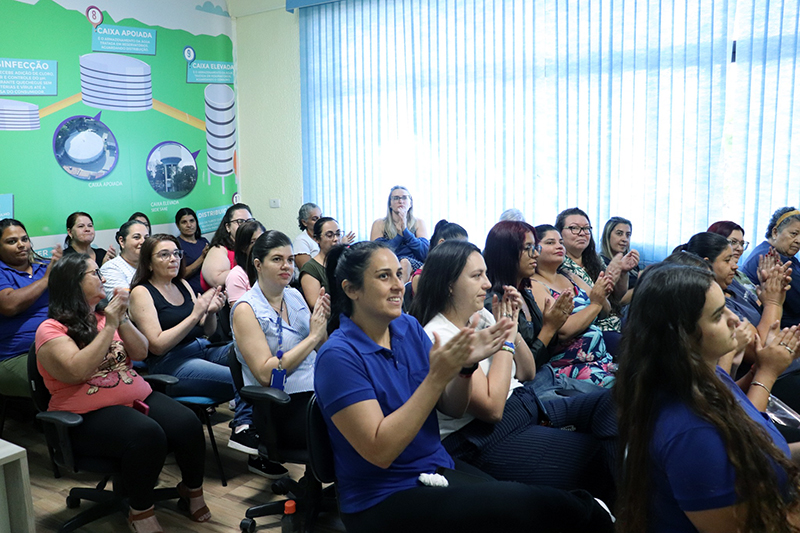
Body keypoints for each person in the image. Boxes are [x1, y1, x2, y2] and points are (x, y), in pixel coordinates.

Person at [314, 241, 614, 533]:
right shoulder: (338, 357)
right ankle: (603, 517)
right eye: (383, 276)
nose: (397, 284)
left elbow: (451, 406)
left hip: (435, 466)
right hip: (381, 497)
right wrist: (436, 378)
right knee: (521, 503)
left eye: (397, 274)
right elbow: (381, 451)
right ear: (351, 289)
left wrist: (465, 367)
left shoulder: (406, 328)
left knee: (525, 503)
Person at [411, 240, 618, 501]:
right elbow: (492, 409)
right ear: (449, 284)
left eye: (485, 274)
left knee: (614, 403)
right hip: (480, 437)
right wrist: (505, 342)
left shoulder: (482, 316)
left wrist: (511, 327)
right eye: (477, 276)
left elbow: (527, 372)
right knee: (596, 455)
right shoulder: (439, 336)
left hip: (523, 406)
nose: (487, 284)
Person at [615, 262, 800, 533]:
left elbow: (759, 440)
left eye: (726, 306)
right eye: (717, 316)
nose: (735, 319)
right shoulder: (692, 432)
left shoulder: (706, 373)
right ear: (682, 336)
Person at [35, 253, 211, 532]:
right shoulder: (51, 329)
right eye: (95, 274)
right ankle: (140, 510)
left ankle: (192, 490)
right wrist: (111, 324)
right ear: (73, 283)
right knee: (146, 433)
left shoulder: (106, 317)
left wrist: (121, 318)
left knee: (188, 422)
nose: (103, 278)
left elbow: (141, 352)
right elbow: (78, 371)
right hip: (86, 415)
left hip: (135, 396)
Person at [231, 231, 330, 477]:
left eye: (289, 259)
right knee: (352, 425)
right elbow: (266, 374)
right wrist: (313, 337)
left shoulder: (294, 295)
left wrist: (322, 323)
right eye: (277, 259)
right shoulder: (245, 309)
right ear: (258, 265)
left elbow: (320, 346)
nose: (286, 266)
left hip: (318, 389)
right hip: (284, 406)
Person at [128, 235, 241, 423]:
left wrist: (211, 312)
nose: (173, 259)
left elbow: (209, 331)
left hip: (202, 348)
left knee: (248, 354)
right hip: (172, 362)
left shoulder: (181, 284)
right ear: (149, 263)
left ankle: (252, 423)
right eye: (164, 255)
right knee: (238, 376)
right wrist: (195, 316)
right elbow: (157, 345)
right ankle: (245, 426)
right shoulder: (142, 292)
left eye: (176, 253)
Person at [530, 225, 617, 387]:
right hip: (572, 367)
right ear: (534, 250)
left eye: (560, 242)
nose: (559, 246)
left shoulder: (569, 276)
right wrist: (596, 304)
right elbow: (564, 330)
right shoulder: (534, 284)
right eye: (550, 242)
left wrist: (603, 292)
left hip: (603, 359)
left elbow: (605, 311)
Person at [556, 208, 637, 345]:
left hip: (613, 319)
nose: (582, 233)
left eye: (586, 228)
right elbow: (599, 307)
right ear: (560, 233)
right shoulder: (560, 265)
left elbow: (617, 297)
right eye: (574, 228)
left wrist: (623, 272)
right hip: (590, 328)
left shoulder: (595, 259)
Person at [0, 219, 62, 397]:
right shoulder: (3, 272)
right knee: (65, 379)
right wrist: (46, 280)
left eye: (24, 239)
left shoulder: (44, 269)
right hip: (16, 355)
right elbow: (9, 305)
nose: (21, 245)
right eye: (12, 241)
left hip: (57, 345)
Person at [742, 207, 800, 329]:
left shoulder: (787, 256)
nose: (799, 241)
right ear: (775, 232)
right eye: (794, 234)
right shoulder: (768, 257)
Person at [370, 186, 429, 283]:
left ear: (410, 203)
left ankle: (399, 292)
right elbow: (377, 253)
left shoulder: (419, 223)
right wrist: (399, 235)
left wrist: (405, 231)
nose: (400, 201)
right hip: (388, 263)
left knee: (404, 262)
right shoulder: (380, 224)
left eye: (404, 197)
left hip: (414, 264)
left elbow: (424, 253)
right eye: (396, 198)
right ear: (390, 203)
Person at [409, 219, 468, 298]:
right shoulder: (420, 278)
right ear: (441, 243)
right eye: (460, 247)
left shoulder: (457, 271)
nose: (464, 252)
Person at [201, 203, 253, 290]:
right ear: (228, 227)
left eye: (249, 221)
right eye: (240, 222)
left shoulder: (252, 246)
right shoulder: (219, 249)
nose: (246, 225)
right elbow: (216, 280)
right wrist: (252, 269)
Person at [707, 220, 758, 298]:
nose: (740, 248)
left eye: (742, 244)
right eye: (733, 242)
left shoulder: (739, 274)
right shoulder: (720, 277)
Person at [99, 220, 149, 299]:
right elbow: (126, 300)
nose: (143, 241)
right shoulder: (110, 268)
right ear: (121, 241)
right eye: (137, 237)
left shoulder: (152, 265)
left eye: (146, 238)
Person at [299, 217, 340, 310]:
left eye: (338, 234)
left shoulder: (345, 261)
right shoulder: (311, 268)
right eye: (330, 235)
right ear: (317, 239)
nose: (336, 239)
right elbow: (316, 305)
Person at [225, 220, 265, 306]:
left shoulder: (269, 267)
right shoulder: (236, 275)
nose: (260, 245)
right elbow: (239, 314)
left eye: (262, 240)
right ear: (243, 247)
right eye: (253, 242)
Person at [599, 216, 640, 300]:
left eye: (628, 235)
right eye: (619, 233)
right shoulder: (601, 262)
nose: (625, 239)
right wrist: (645, 284)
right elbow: (618, 300)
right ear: (607, 236)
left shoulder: (630, 260)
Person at [175, 207, 210, 295]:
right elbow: (180, 274)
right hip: (192, 294)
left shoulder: (203, 241)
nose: (189, 225)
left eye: (192, 221)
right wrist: (202, 257)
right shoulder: (176, 245)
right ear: (178, 225)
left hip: (211, 291)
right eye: (184, 222)